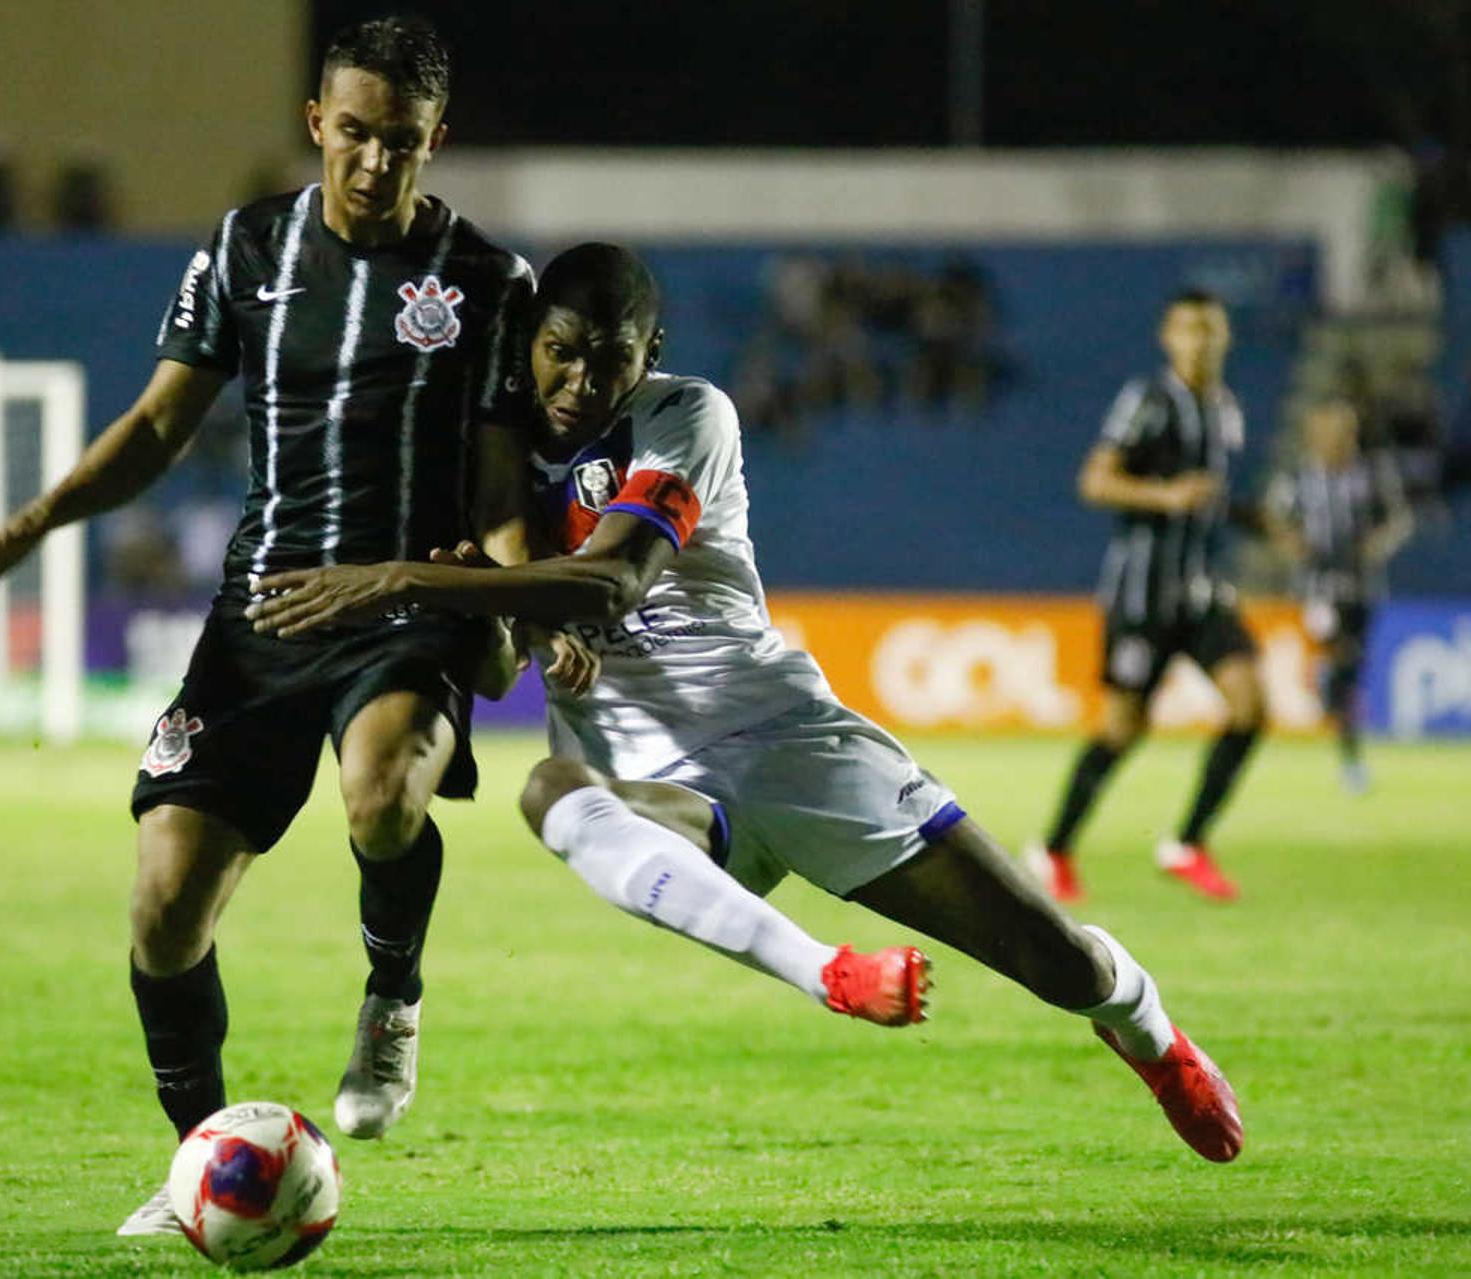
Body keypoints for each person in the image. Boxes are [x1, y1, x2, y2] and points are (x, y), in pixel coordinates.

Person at [245, 243, 1244, 1165]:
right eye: (559, 353)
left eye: (610, 358)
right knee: (551, 789)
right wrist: (502, 619)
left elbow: (613, 584)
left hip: (785, 740)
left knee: (1054, 958)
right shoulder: (485, 466)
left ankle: (1149, 1031)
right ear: (528, 344)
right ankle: (828, 973)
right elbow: (504, 666)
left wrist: (402, 580)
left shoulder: (689, 417)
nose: (580, 382)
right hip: (661, 785)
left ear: (653, 352)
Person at [0, 15, 550, 1236]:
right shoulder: (243, 249)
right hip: (261, 617)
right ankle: (202, 1166)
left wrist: (509, 610)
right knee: (164, 907)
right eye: (354, 133)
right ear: (316, 125)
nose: (375, 163)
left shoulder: (491, 284)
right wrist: (41, 515)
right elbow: (157, 426)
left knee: (383, 792)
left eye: (402, 141)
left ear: (437, 139)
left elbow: (501, 495)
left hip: (403, 603)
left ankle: (392, 997)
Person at [1029, 290, 1265, 904]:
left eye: (1211, 329)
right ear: (1168, 335)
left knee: (1249, 707)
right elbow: (1096, 479)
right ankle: (1053, 848)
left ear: (1225, 338)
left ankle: (1187, 843)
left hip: (1202, 589)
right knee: (1123, 727)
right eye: (1189, 328)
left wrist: (1253, 519)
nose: (1201, 340)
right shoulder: (1149, 400)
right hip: (1143, 592)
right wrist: (1167, 496)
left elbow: (1208, 495)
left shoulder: (1227, 410)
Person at [1264, 397, 1412, 792]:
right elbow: (1275, 518)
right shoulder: (1298, 476)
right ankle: (1330, 681)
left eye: (1345, 433)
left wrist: (1375, 544)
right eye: (1330, 432)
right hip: (1318, 587)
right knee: (1340, 651)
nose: (1337, 440)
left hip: (1362, 587)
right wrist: (1292, 543)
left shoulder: (1371, 474)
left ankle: (1337, 705)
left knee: (1352, 670)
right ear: (1315, 435)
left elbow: (1398, 519)